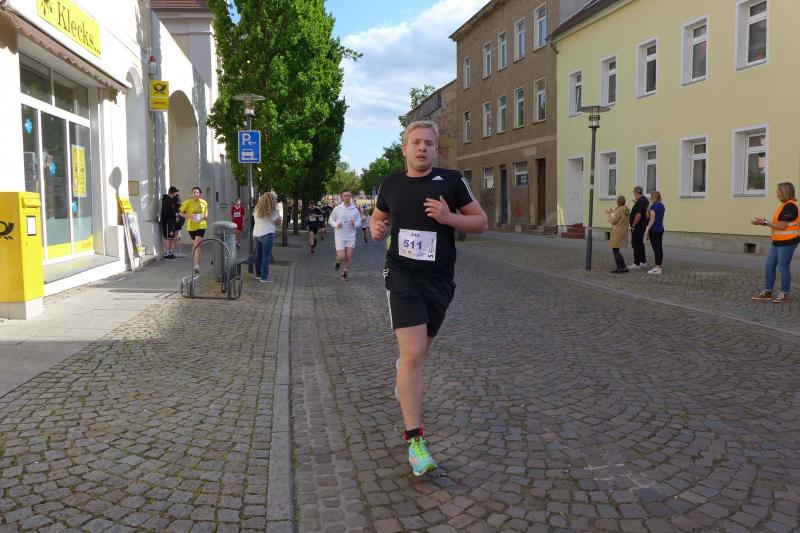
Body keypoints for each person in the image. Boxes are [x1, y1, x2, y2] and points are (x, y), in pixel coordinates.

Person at [370, 120, 487, 476]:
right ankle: (415, 442)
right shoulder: (390, 183)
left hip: (439, 280)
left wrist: (450, 217)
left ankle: (402, 372)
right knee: (414, 353)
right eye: (416, 142)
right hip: (402, 276)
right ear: (404, 148)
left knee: (417, 355)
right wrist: (377, 229)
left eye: (429, 143)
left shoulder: (451, 181)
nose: (422, 148)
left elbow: (481, 222)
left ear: (436, 149)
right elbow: (378, 220)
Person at [751, 182, 800, 303]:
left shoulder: (790, 206)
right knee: (769, 266)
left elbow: (782, 226)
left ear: (784, 192)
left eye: (778, 191)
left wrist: (765, 223)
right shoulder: (784, 205)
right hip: (778, 241)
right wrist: (765, 223)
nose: (776, 193)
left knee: (783, 268)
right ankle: (768, 292)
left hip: (788, 242)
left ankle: (784, 294)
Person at [329, 190, 361, 280]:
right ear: (342, 197)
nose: (347, 197)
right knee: (342, 256)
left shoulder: (355, 210)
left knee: (348, 256)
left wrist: (354, 223)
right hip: (339, 236)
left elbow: (359, 222)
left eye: (348, 195)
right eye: (345, 195)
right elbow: (331, 219)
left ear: (351, 197)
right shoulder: (337, 208)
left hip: (351, 236)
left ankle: (344, 273)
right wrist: (336, 225)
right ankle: (338, 262)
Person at [253, 191, 282, 283]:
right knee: (266, 256)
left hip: (256, 234)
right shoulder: (271, 210)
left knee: (258, 256)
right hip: (267, 233)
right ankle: (264, 277)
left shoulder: (257, 208)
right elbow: (278, 222)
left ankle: (258, 275)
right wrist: (279, 215)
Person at [179, 186, 208, 273]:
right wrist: (188, 216)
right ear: (192, 194)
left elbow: (206, 212)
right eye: (194, 192)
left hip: (201, 225)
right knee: (195, 245)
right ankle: (194, 250)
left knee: (197, 244)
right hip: (191, 227)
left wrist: (205, 216)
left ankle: (197, 266)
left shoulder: (203, 202)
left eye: (197, 192)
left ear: (200, 194)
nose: (196, 194)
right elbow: (180, 213)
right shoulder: (187, 202)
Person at [606, 195, 630, 273]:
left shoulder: (619, 210)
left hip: (617, 232)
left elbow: (613, 221)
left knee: (615, 250)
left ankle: (620, 267)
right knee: (617, 250)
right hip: (622, 231)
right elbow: (620, 216)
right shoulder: (625, 209)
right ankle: (623, 267)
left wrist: (609, 214)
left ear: (618, 202)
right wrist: (614, 211)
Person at [628, 186, 649, 270]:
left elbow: (638, 215)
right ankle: (643, 261)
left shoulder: (640, 201)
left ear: (636, 192)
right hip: (642, 225)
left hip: (638, 226)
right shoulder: (645, 200)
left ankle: (636, 263)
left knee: (635, 243)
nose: (633, 194)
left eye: (634, 192)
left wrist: (633, 225)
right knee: (640, 243)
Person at [645, 191, 666, 274]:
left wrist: (647, 229)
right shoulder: (662, 205)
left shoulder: (653, 207)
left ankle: (657, 268)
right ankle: (659, 266)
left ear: (652, 197)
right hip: (661, 229)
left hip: (654, 230)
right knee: (659, 248)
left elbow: (652, 220)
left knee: (656, 249)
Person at [160, 186, 179, 259]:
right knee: (167, 238)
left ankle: (170, 253)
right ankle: (166, 254)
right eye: (175, 192)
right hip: (167, 221)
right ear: (173, 193)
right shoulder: (166, 200)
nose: (175, 194)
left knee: (171, 237)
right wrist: (174, 214)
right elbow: (166, 212)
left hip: (171, 221)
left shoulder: (171, 200)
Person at [172, 193, 185, 257]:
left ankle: (178, 251)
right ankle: (174, 251)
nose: (179, 201)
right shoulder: (175, 205)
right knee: (176, 237)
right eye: (178, 200)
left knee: (178, 237)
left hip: (178, 222)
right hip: (176, 222)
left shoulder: (177, 206)